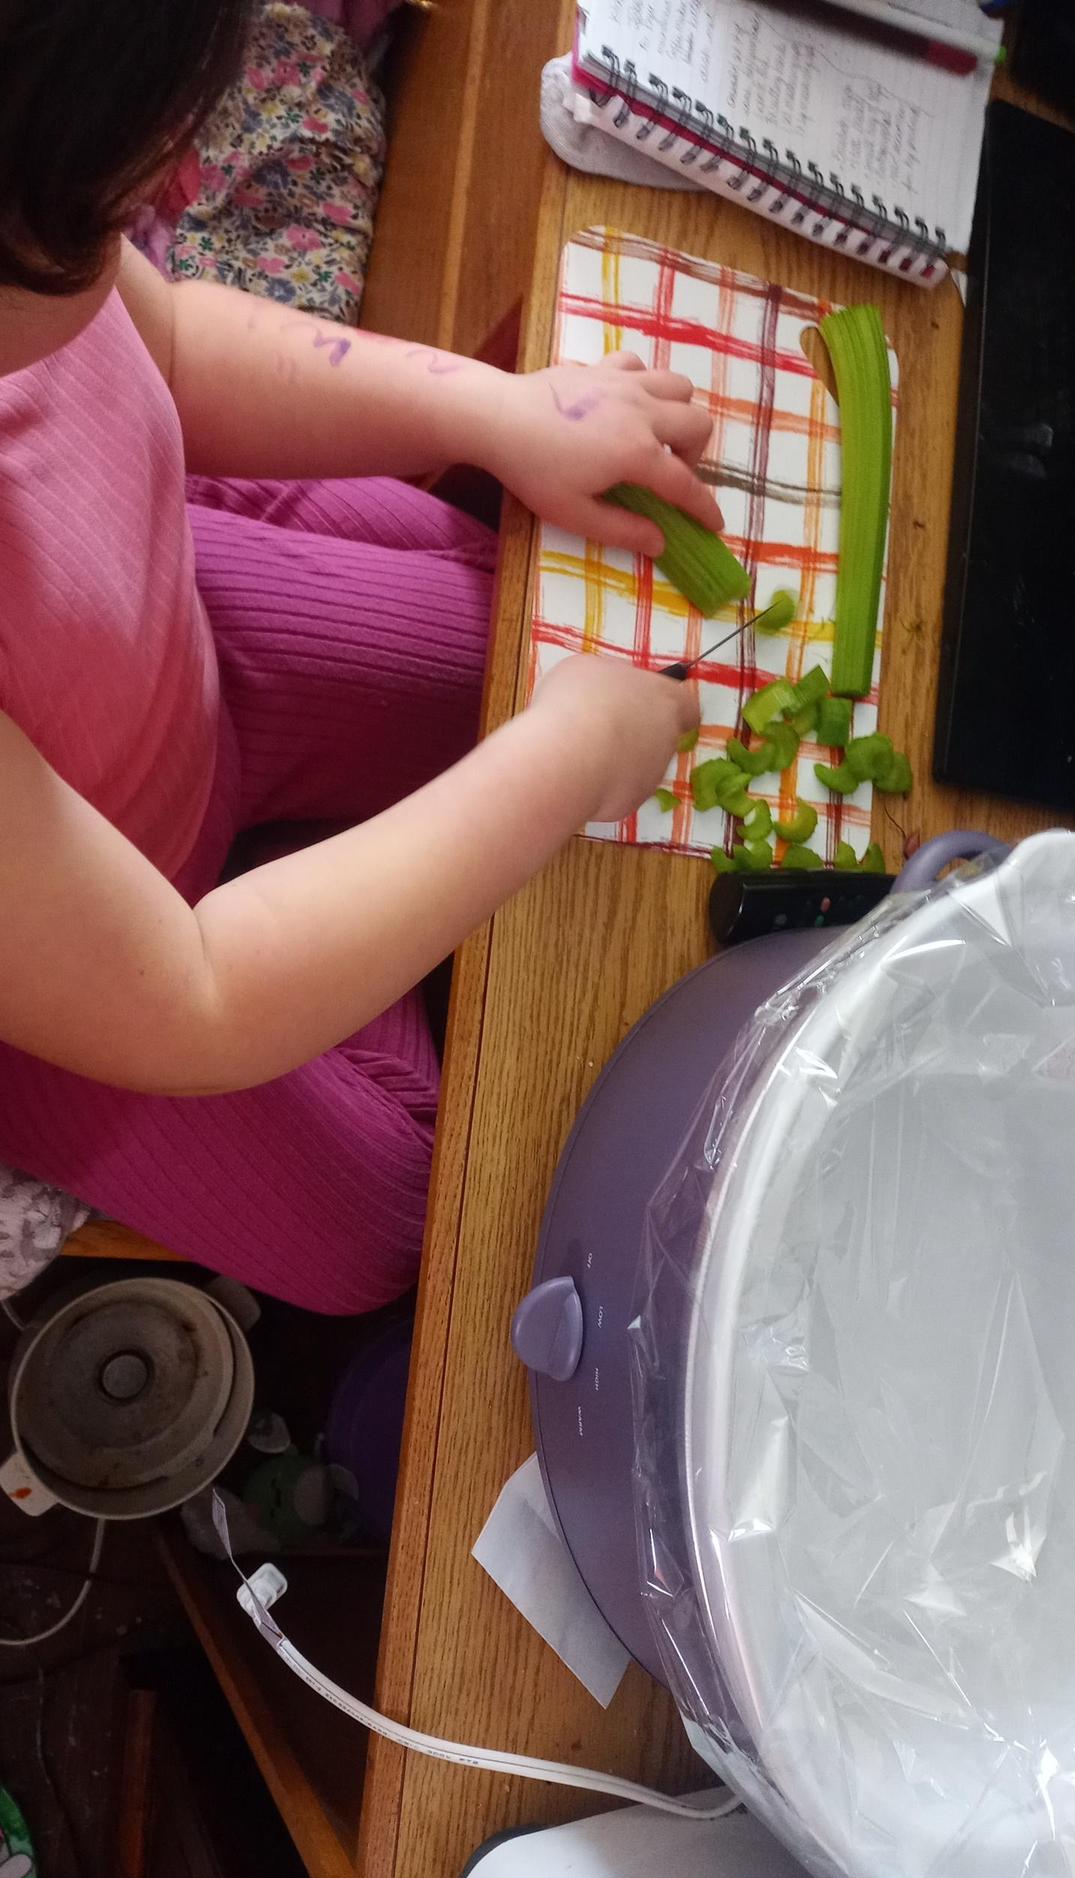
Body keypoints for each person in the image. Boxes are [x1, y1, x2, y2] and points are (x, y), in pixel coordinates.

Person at [0, 0, 712, 1312]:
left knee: (514, 626)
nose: (185, 190)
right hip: (90, 964)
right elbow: (194, 998)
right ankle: (301, 878)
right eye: (111, 209)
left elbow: (172, 341)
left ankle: (306, 864)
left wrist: (498, 412)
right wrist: (561, 760)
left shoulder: (32, 267)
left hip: (176, 641)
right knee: (394, 1213)